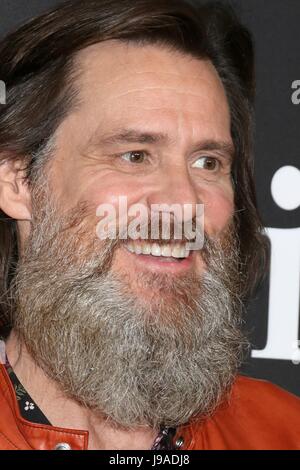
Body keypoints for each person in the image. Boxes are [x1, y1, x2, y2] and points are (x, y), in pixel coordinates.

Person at [0, 0, 299, 451]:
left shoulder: (283, 432)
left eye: (207, 162)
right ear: (19, 182)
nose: (183, 203)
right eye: (135, 155)